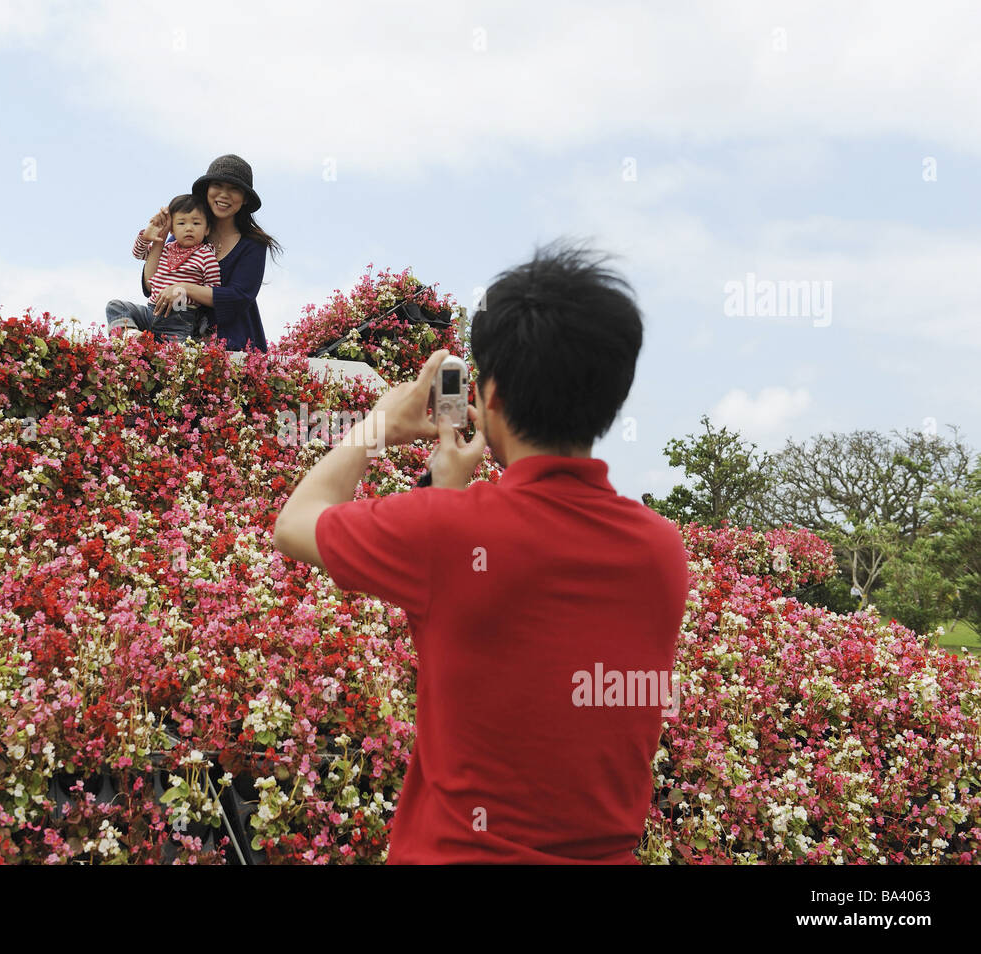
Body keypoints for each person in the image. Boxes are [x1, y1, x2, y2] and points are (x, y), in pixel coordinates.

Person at [272, 243, 690, 864]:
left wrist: (377, 426)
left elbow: (294, 523)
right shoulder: (662, 550)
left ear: (489, 394)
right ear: (612, 396)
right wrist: (450, 498)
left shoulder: (447, 534)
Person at [119, 154, 280, 351]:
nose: (223, 194)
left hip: (232, 347)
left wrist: (185, 287)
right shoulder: (185, 235)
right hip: (174, 336)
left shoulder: (253, 244)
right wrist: (160, 237)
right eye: (217, 186)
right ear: (207, 190)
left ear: (245, 198)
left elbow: (238, 297)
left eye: (234, 189)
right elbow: (152, 285)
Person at [107, 194, 221, 341]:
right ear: (172, 230)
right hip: (151, 311)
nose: (189, 228)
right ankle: (132, 335)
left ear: (207, 229)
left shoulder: (206, 256)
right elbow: (138, 254)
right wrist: (147, 237)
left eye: (196, 223)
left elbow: (213, 292)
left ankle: (149, 344)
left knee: (175, 354)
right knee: (115, 306)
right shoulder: (165, 249)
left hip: (179, 319)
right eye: (181, 223)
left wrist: (187, 291)